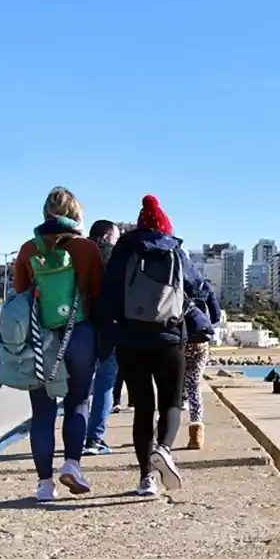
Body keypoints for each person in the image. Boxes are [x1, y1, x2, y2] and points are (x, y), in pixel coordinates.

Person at [100, 195, 212, 496]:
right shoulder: (175, 250)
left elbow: (108, 294)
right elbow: (199, 287)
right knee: (172, 404)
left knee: (143, 410)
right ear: (164, 224)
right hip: (169, 338)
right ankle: (163, 448)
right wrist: (208, 318)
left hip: (129, 339)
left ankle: (146, 479)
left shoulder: (124, 250)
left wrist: (108, 333)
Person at [12, 186, 103, 501]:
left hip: (41, 338)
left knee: (41, 412)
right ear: (76, 215)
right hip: (79, 333)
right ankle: (72, 465)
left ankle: (44, 485)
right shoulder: (87, 248)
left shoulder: (28, 249)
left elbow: (20, 292)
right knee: (78, 402)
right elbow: (96, 291)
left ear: (45, 214)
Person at [83, 219, 121, 455]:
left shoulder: (79, 253)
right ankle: (94, 439)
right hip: (109, 327)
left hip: (81, 325)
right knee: (105, 383)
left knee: (80, 384)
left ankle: (76, 435)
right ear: (107, 237)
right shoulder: (114, 258)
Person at [182, 277, 222, 449]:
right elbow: (216, 315)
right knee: (194, 386)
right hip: (200, 341)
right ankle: (196, 435)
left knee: (172, 387)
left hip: (179, 339)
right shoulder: (204, 285)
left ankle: (160, 433)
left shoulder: (173, 279)